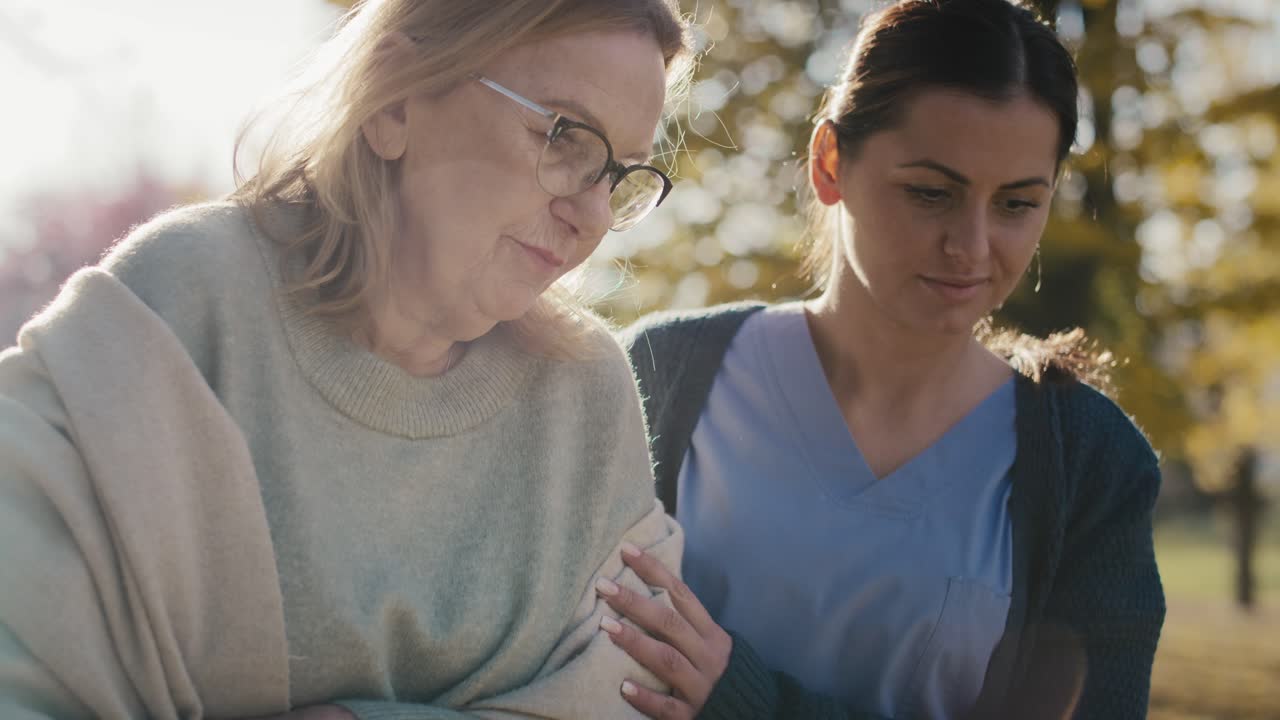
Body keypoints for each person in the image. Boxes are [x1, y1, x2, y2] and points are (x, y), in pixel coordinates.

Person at [0, 1, 696, 718]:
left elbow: (624, 700)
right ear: (395, 99)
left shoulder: (586, 394)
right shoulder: (179, 303)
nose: (595, 217)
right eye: (564, 136)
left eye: (619, 174)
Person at [601, 0, 1166, 718]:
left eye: (1018, 204)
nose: (971, 245)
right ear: (830, 162)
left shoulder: (1093, 467)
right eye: (931, 193)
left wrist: (745, 701)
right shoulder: (664, 372)